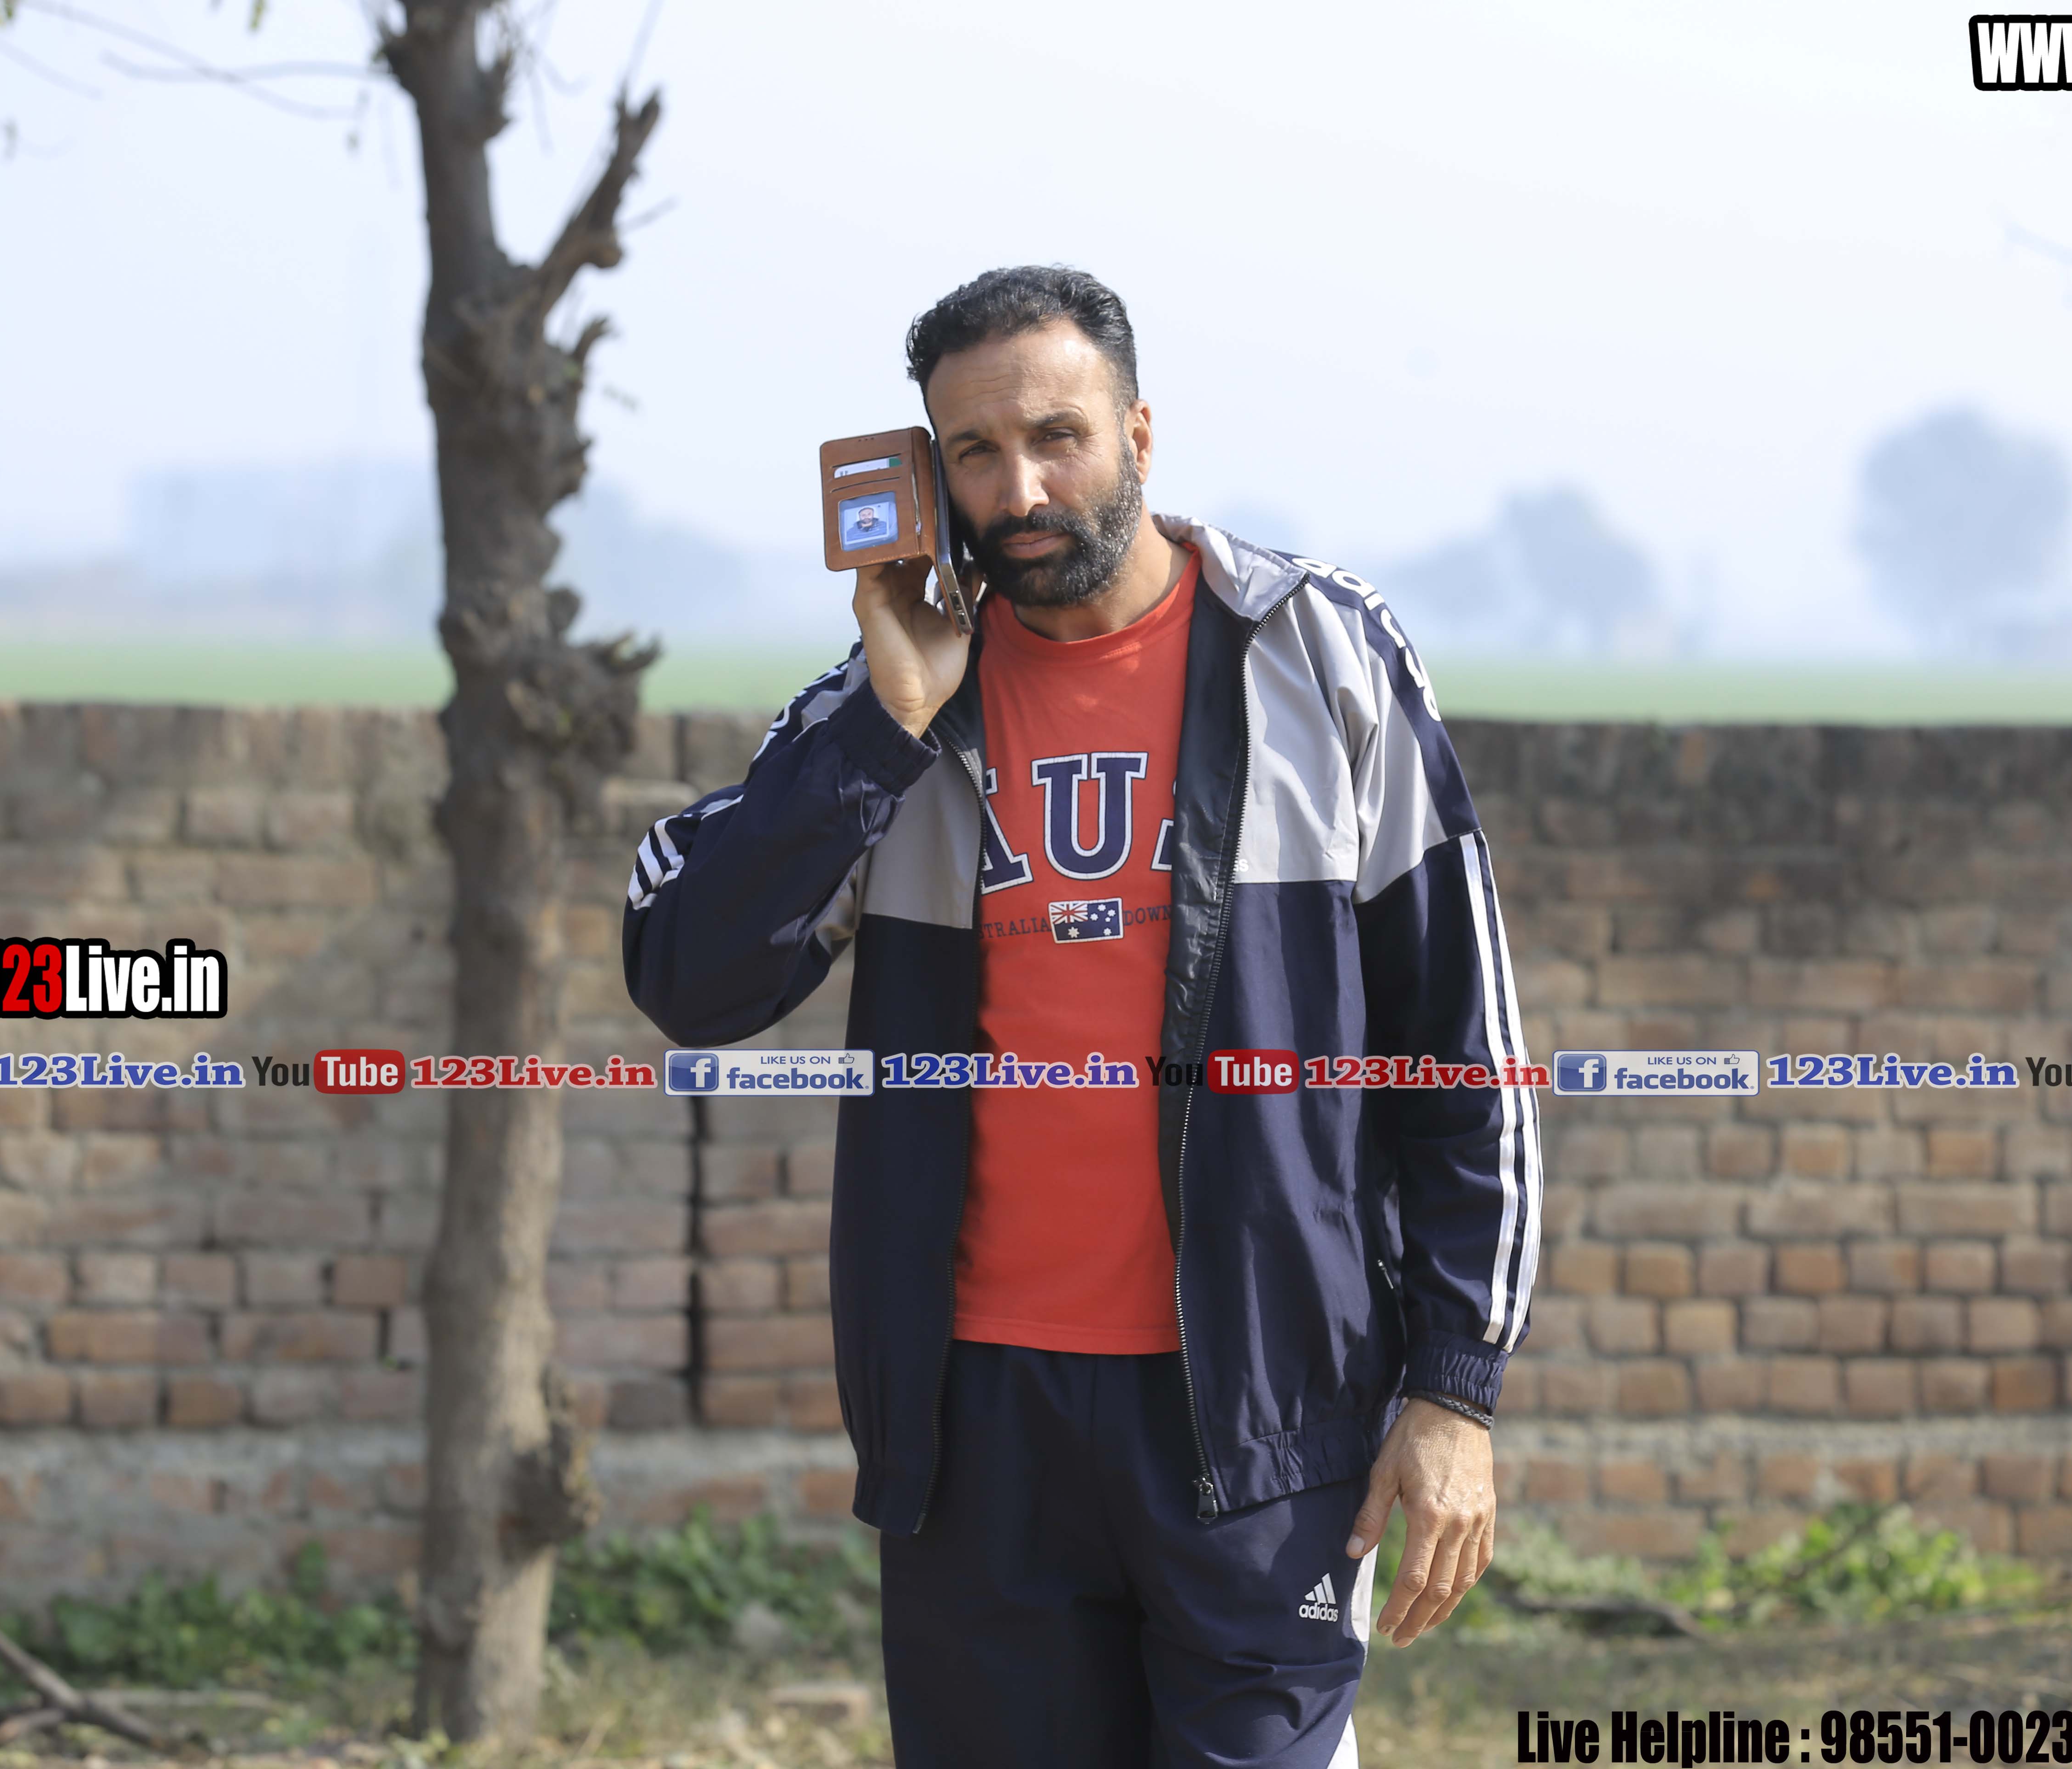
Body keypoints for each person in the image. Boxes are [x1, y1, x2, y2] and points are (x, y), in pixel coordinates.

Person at [623, 265, 1543, 1768]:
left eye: (1059, 436)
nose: (1023, 489)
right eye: (975, 454)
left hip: (1264, 1410)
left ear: (1140, 433)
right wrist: (884, 719)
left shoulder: (1318, 655)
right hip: (976, 1422)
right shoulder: (894, 709)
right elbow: (689, 976)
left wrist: (1457, 1388)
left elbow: (1463, 1045)